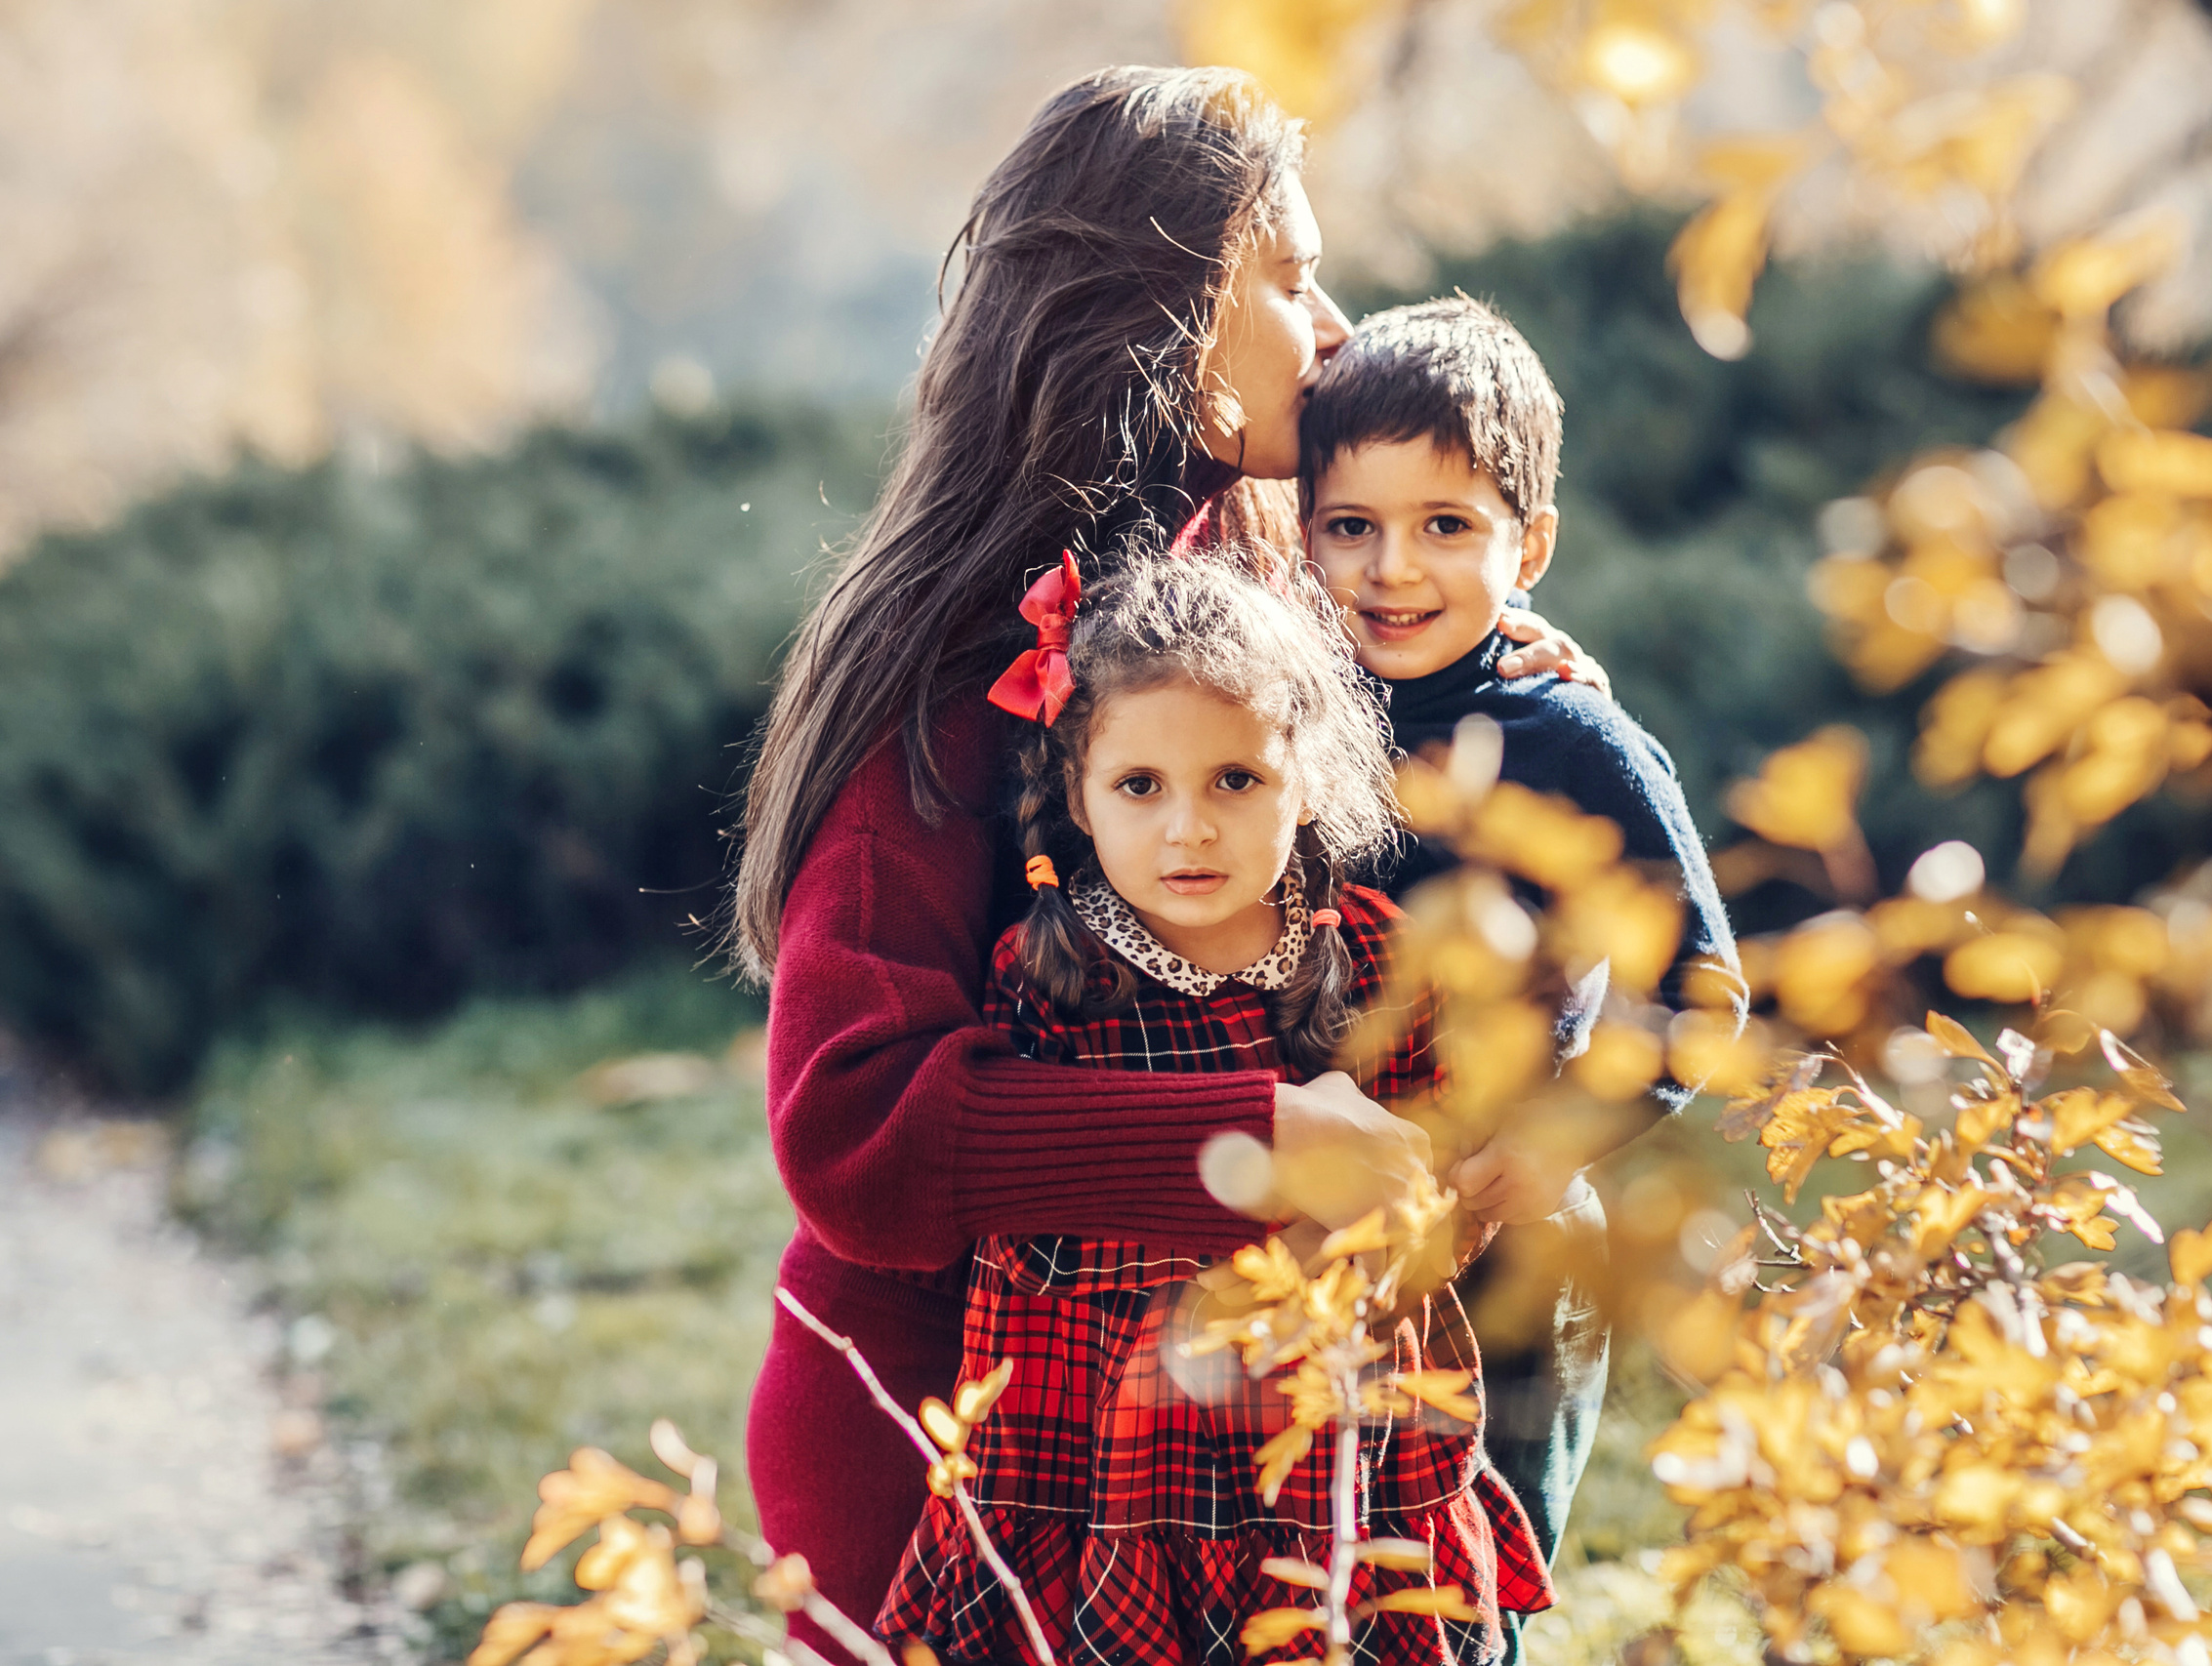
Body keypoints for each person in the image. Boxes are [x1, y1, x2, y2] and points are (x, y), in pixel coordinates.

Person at [731, 69, 1600, 1638]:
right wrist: (1253, 1142)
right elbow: (850, 1128)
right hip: (965, 1456)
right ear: (1172, 312)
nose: (1332, 325)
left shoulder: (1253, 590)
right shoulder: (955, 672)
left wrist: (1506, 691)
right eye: (1286, 276)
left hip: (1224, 1449)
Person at [877, 556, 1552, 1662]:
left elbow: (1443, 1165)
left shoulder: (1378, 950)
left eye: (1235, 780)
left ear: (1306, 776)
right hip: (1124, 1459)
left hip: (1348, 1432)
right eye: (1140, 786)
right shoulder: (1055, 974)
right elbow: (1035, 1245)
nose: (1188, 829)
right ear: (1077, 795)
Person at [1296, 296, 1747, 1603]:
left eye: (1446, 527)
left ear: (1529, 541)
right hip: (1324, 1240)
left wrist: (1531, 1154)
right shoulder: (1289, 713)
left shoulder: (1573, 741)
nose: (1393, 569)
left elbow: (1699, 991)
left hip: (1512, 1251)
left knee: (1470, 1581)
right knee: (1322, 1580)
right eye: (1352, 528)